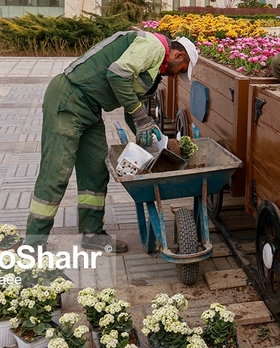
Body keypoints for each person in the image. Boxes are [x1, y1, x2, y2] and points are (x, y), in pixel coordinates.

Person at [25, 31, 199, 253]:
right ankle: (33, 243)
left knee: (96, 168)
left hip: (90, 108)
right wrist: (141, 118)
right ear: (178, 55)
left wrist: (150, 136)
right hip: (69, 98)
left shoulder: (155, 69)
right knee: (56, 171)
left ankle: (92, 234)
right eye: (182, 70)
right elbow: (116, 75)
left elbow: (133, 109)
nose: (177, 76)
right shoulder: (153, 46)